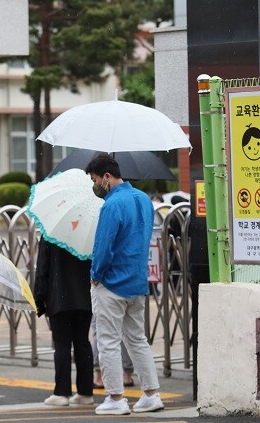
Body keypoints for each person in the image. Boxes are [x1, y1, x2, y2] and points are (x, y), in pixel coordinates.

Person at [85, 154, 164, 415]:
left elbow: (103, 246)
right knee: (137, 340)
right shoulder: (143, 199)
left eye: (95, 179)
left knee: (108, 341)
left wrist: (95, 274)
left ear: (107, 177)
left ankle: (116, 398)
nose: (95, 185)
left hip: (111, 283)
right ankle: (151, 394)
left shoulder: (111, 205)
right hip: (137, 282)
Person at [33, 239, 94, 406]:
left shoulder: (51, 232)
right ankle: (86, 392)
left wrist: (39, 297)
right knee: (82, 342)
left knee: (62, 344)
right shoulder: (87, 229)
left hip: (59, 296)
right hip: (85, 296)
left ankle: (62, 392)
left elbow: (42, 266)